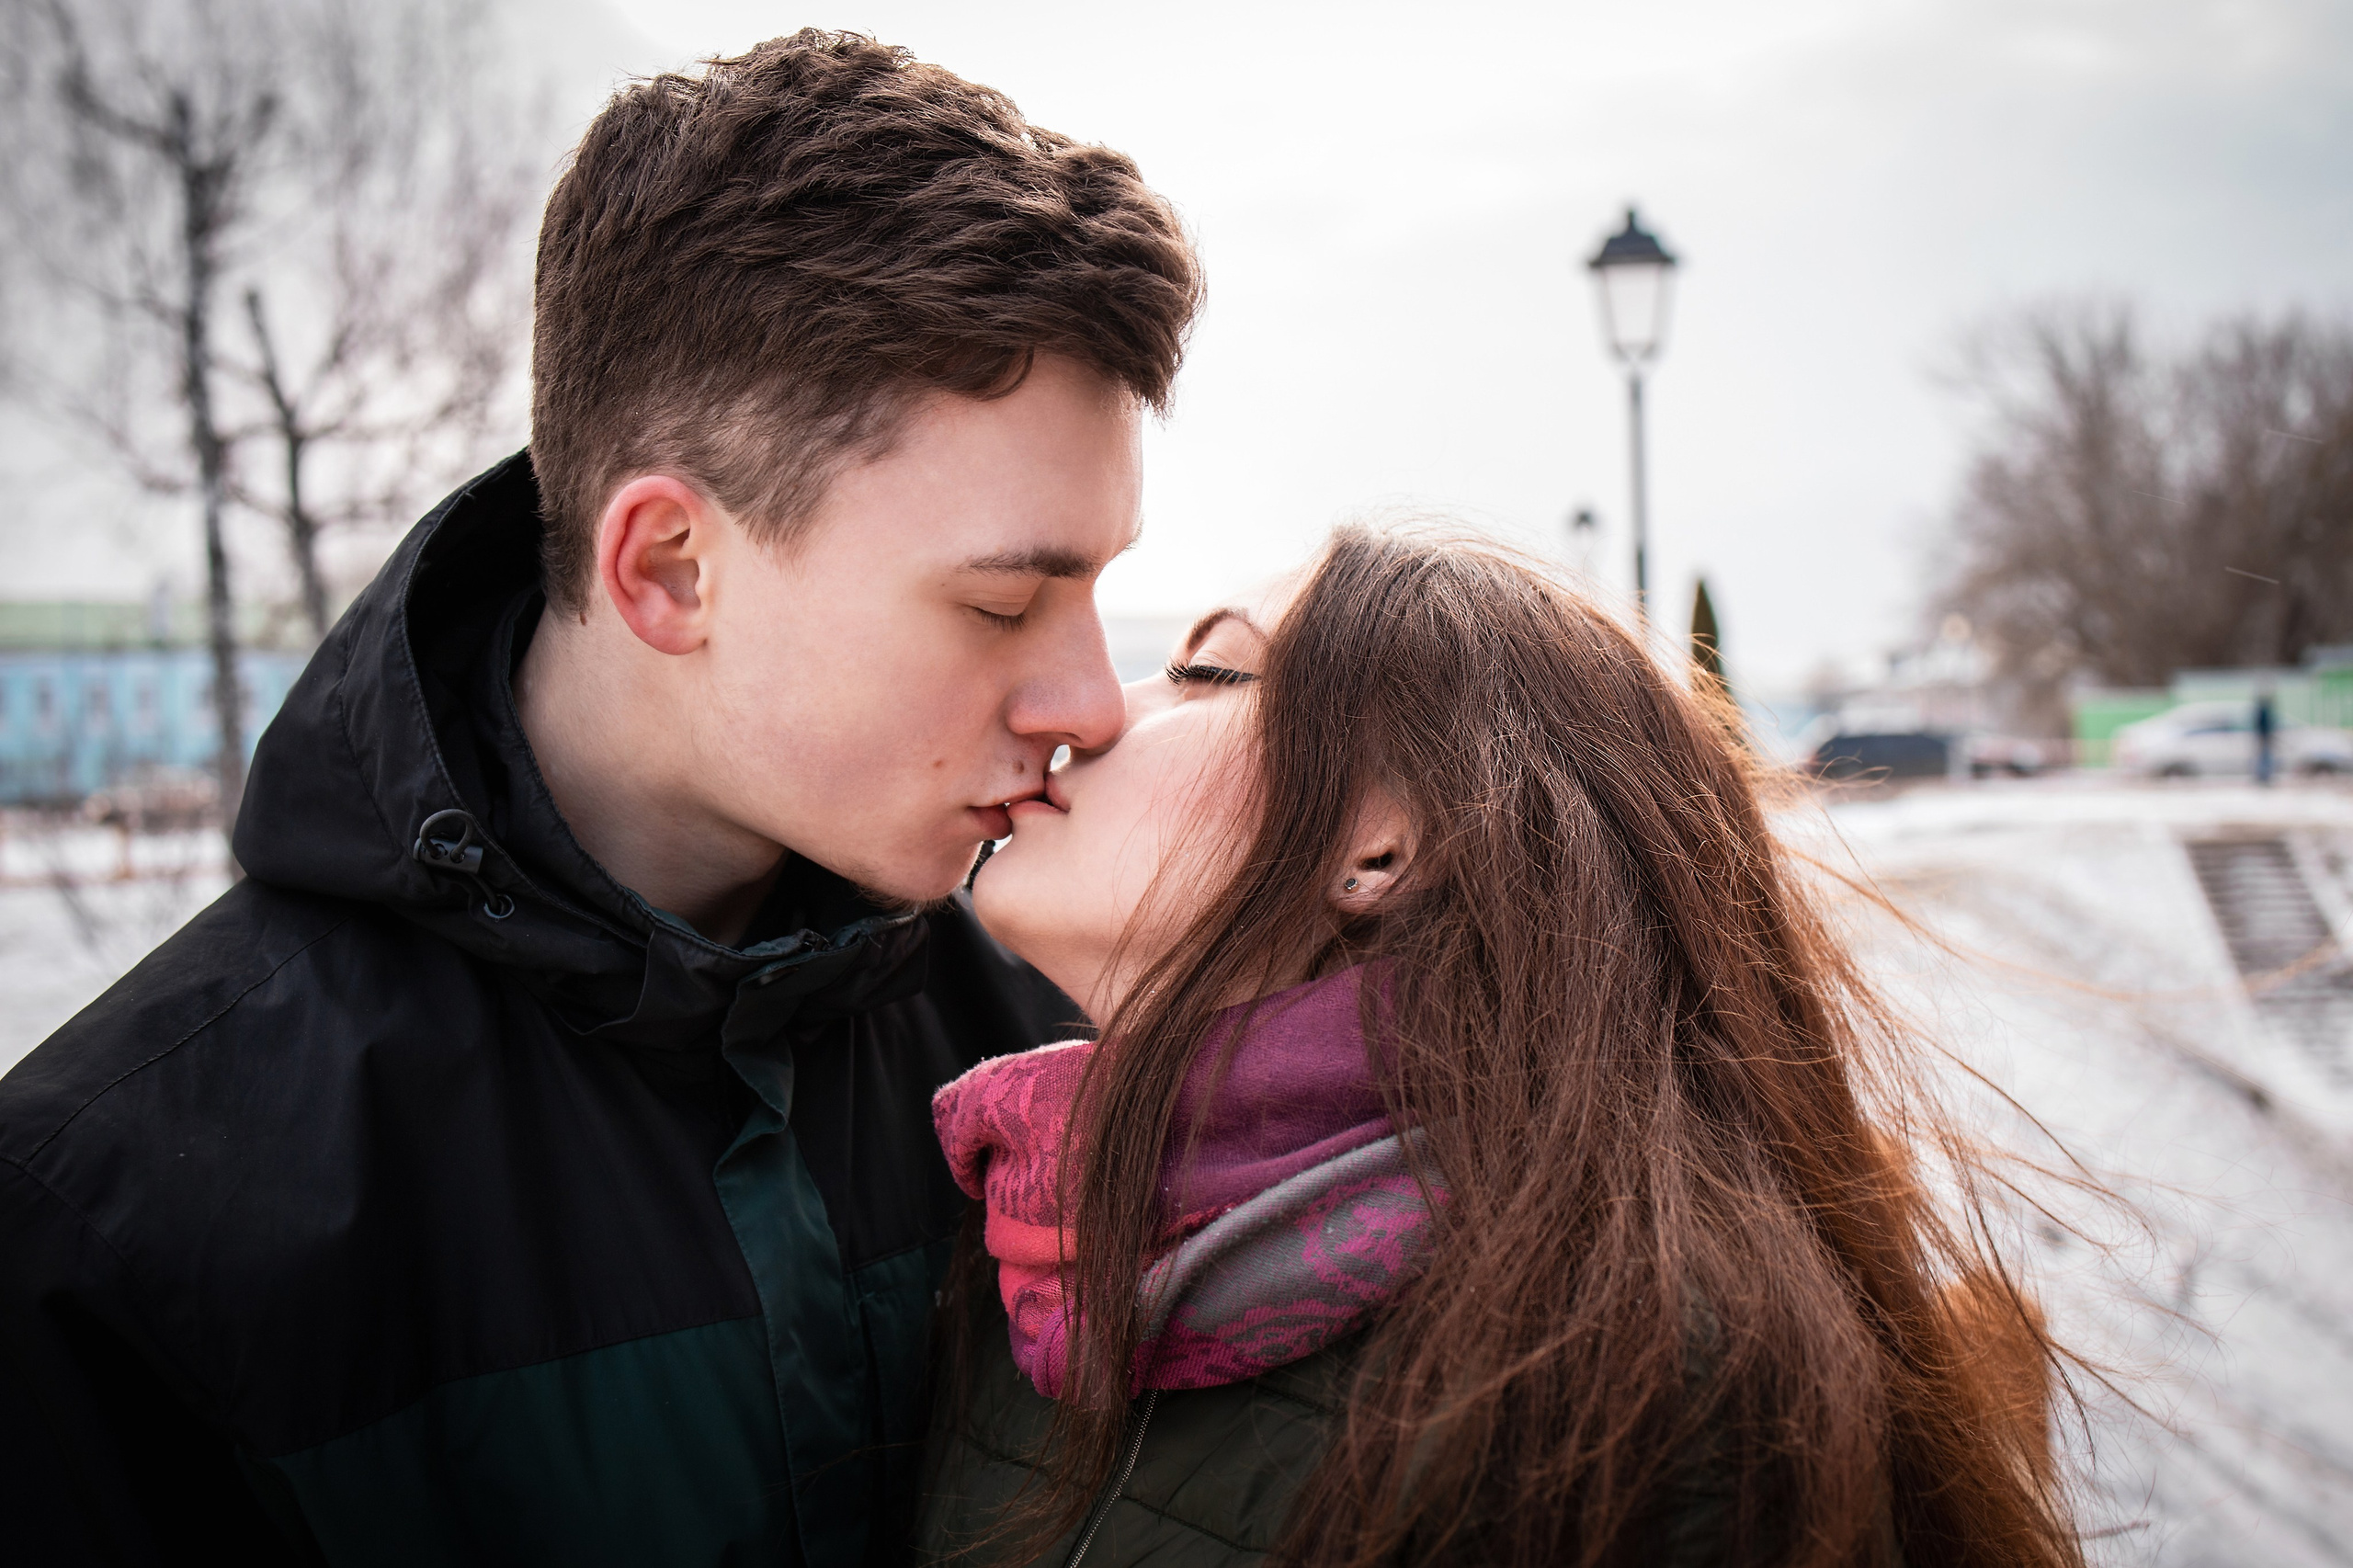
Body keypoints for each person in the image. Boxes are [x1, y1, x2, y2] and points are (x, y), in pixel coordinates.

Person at [0, 31, 1198, 1566]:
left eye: (1095, 591)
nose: (1093, 701)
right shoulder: (102, 1234)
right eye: (1000, 603)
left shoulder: (1073, 1054)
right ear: (668, 571)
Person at [918, 526, 2076, 1566]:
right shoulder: (1032, 1236)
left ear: (1379, 846)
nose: (1100, 709)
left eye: (1206, 670)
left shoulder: (1631, 1397)